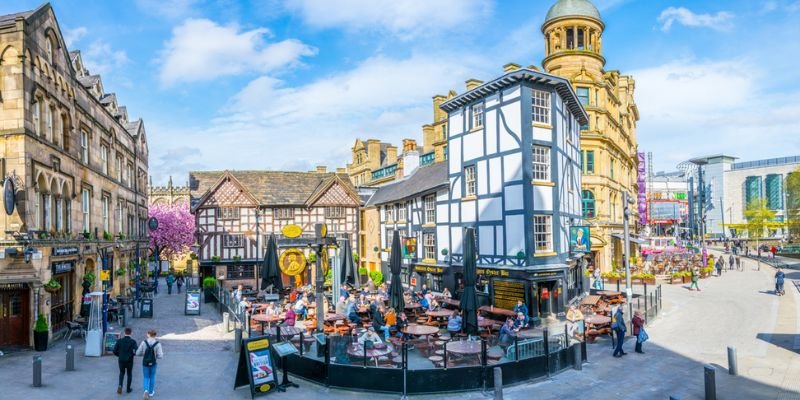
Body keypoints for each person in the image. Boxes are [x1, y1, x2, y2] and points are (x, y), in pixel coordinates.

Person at [135, 329, 164, 399]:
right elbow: (160, 356)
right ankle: (151, 392)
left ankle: (145, 391)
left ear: (148, 334)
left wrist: (144, 354)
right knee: (152, 377)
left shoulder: (143, 342)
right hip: (153, 363)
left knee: (146, 377)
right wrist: (155, 356)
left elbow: (137, 353)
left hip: (145, 363)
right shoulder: (158, 344)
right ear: (155, 335)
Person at [113, 327, 137, 394]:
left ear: (124, 333)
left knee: (121, 373)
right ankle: (128, 389)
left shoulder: (119, 341)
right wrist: (132, 355)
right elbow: (136, 351)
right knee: (129, 374)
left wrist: (119, 355)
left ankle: (120, 385)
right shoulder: (133, 342)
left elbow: (114, 351)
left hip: (121, 359)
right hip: (129, 360)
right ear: (131, 333)